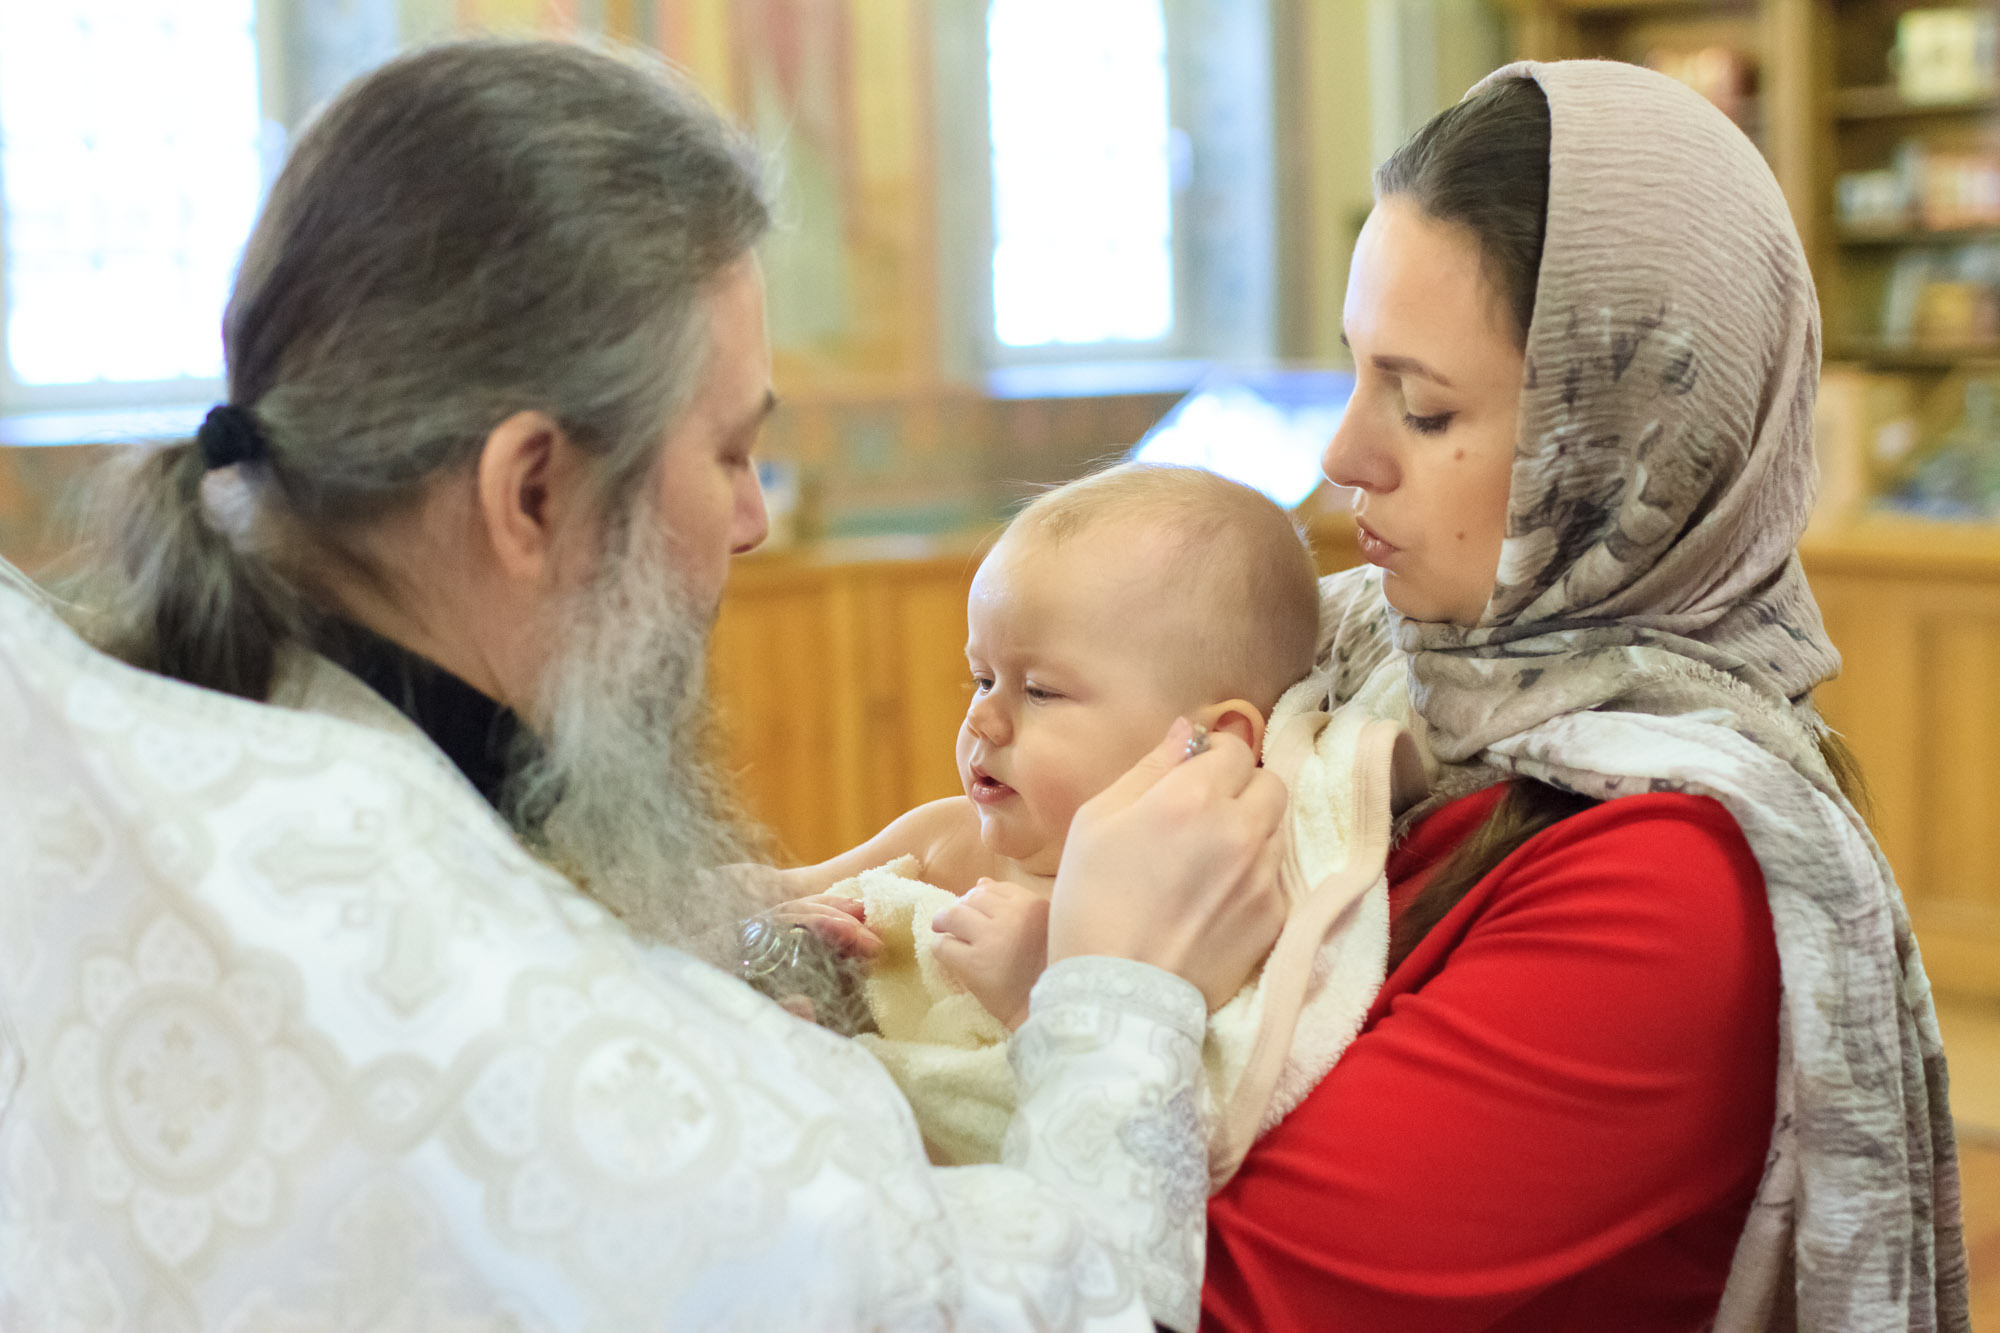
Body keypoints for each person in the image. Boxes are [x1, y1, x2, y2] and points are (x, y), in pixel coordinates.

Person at [0, 40, 1289, 1331]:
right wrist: (1119, 993)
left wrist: (691, 955)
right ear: (532, 492)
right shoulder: (561, 1052)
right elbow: (1047, 1305)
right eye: (729, 454)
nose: (752, 520)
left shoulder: (87, 726)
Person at [1200, 60, 1969, 1332]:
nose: (1343, 454)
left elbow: (1218, 1299)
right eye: (1353, 371)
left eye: (1421, 405)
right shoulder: (1363, 666)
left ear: (1625, 451)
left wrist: (1103, 976)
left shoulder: (1667, 878)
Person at [769, 462, 1421, 1175]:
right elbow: (766, 892)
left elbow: (1158, 1115)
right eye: (982, 678)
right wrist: (769, 935)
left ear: (1208, 743)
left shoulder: (1204, 906)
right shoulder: (941, 838)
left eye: (1040, 691)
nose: (981, 718)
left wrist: (1036, 995)